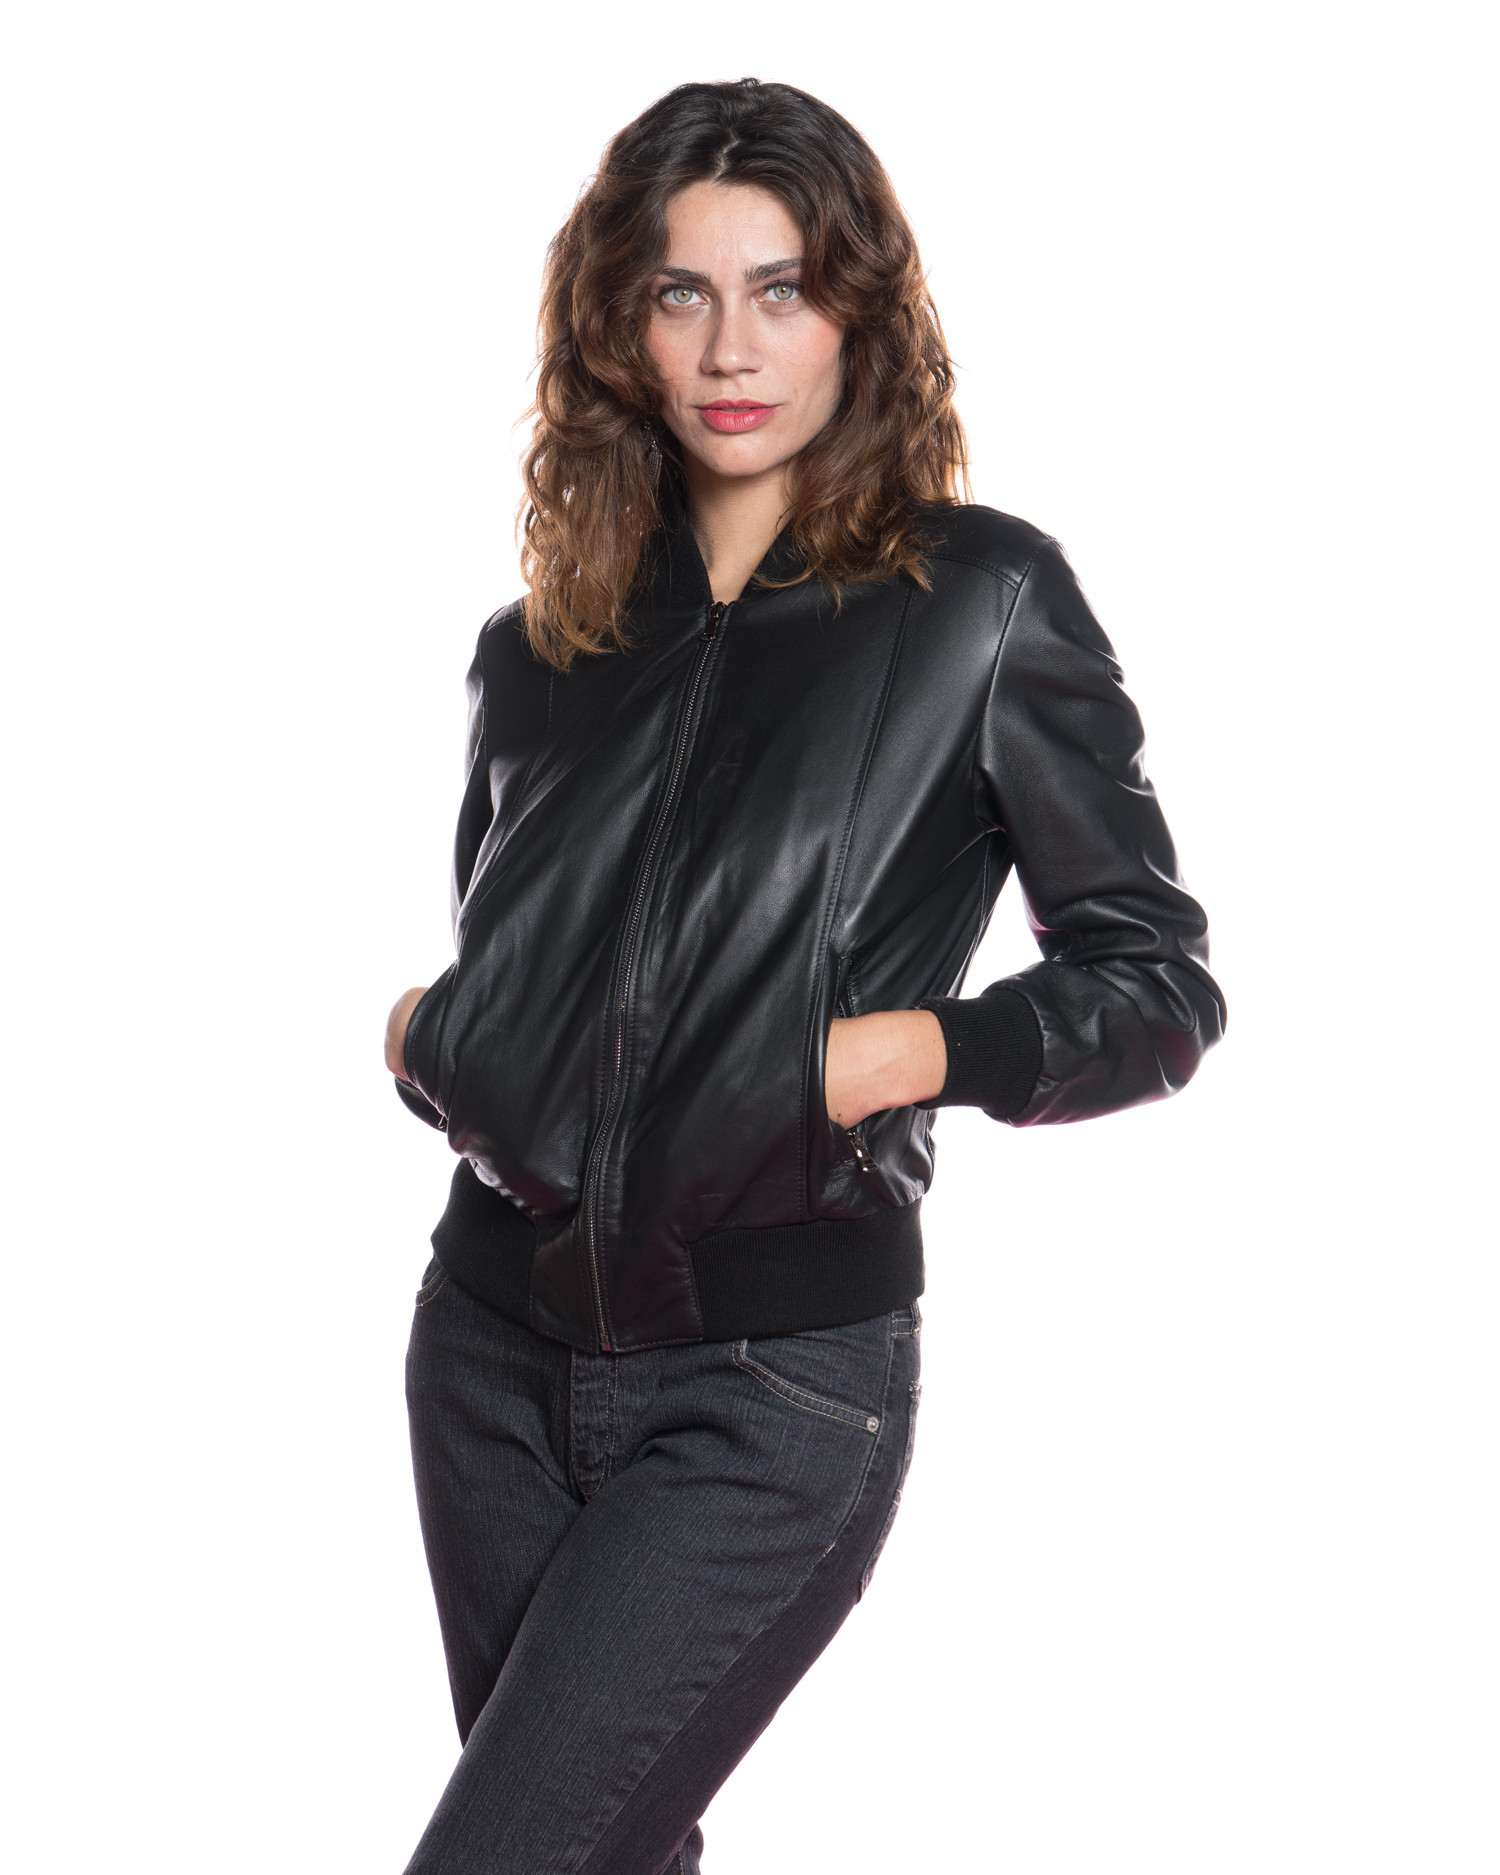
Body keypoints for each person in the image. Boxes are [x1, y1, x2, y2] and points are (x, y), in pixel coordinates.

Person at [384, 77, 1224, 1875]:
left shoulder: (979, 600)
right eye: (680, 293)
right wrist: (436, 1040)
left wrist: (895, 1055)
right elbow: (519, 961)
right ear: (618, 324)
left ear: (859, 309)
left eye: (782, 289)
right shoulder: (539, 646)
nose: (731, 349)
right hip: (487, 1355)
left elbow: (1155, 982)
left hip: (769, 1385)